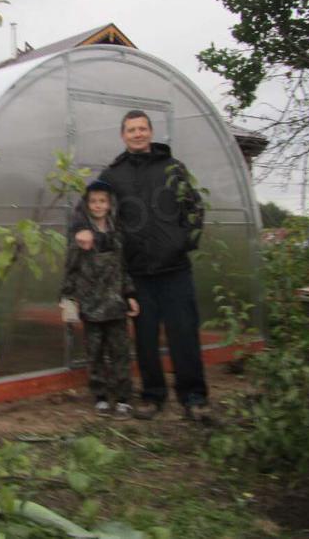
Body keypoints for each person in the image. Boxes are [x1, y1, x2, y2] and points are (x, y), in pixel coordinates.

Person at [73, 110, 208, 420]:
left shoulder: (172, 168)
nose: (138, 134)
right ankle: (152, 397)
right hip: (137, 273)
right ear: (123, 135)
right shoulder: (113, 175)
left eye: (142, 129)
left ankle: (194, 398)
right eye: (131, 130)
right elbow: (89, 206)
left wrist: (184, 242)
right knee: (145, 338)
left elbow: (194, 207)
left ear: (151, 132)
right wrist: (80, 228)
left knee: (184, 334)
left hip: (175, 269)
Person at [60, 180, 139, 420]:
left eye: (102, 201)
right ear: (86, 204)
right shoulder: (80, 235)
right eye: (93, 201)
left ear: (110, 203)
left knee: (120, 352)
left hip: (115, 304)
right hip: (91, 304)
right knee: (94, 352)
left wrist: (130, 294)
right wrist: (67, 297)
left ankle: (123, 399)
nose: (98, 205)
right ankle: (101, 397)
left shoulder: (117, 232)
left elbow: (123, 267)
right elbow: (70, 268)